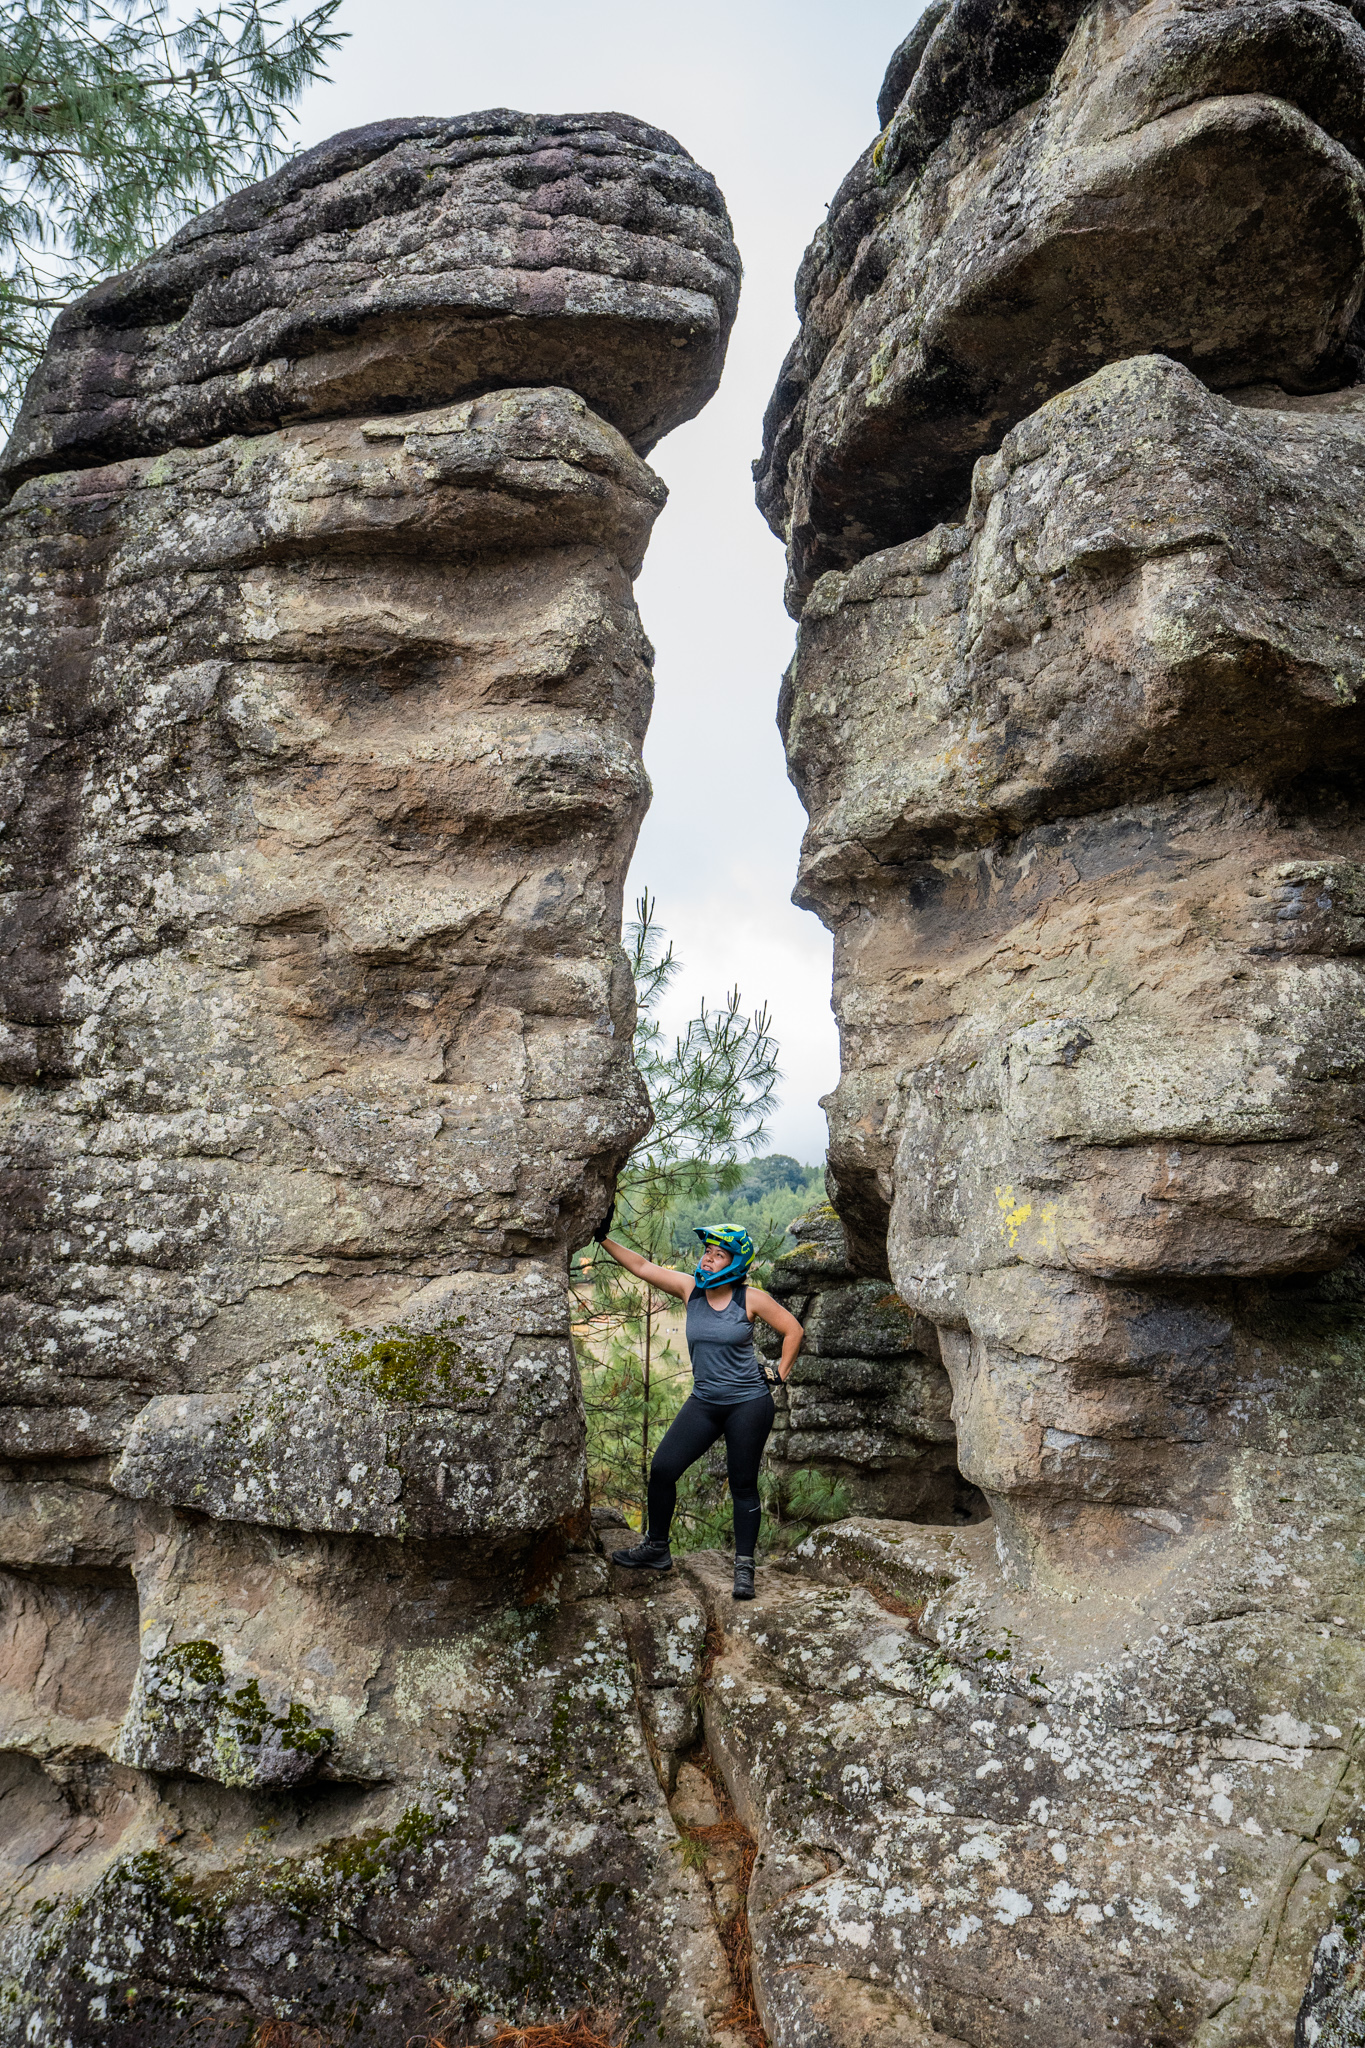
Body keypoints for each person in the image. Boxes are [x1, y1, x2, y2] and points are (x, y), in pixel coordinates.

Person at [593, 1216, 804, 1600]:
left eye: (717, 1255)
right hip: (704, 1402)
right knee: (663, 1469)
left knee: (743, 1486)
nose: (707, 1259)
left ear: (736, 1261)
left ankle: (744, 1569)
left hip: (748, 1405)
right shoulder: (690, 1289)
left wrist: (779, 1374)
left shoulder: (749, 1298)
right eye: (707, 1252)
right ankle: (657, 1548)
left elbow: (794, 1330)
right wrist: (602, 1237)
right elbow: (642, 1267)